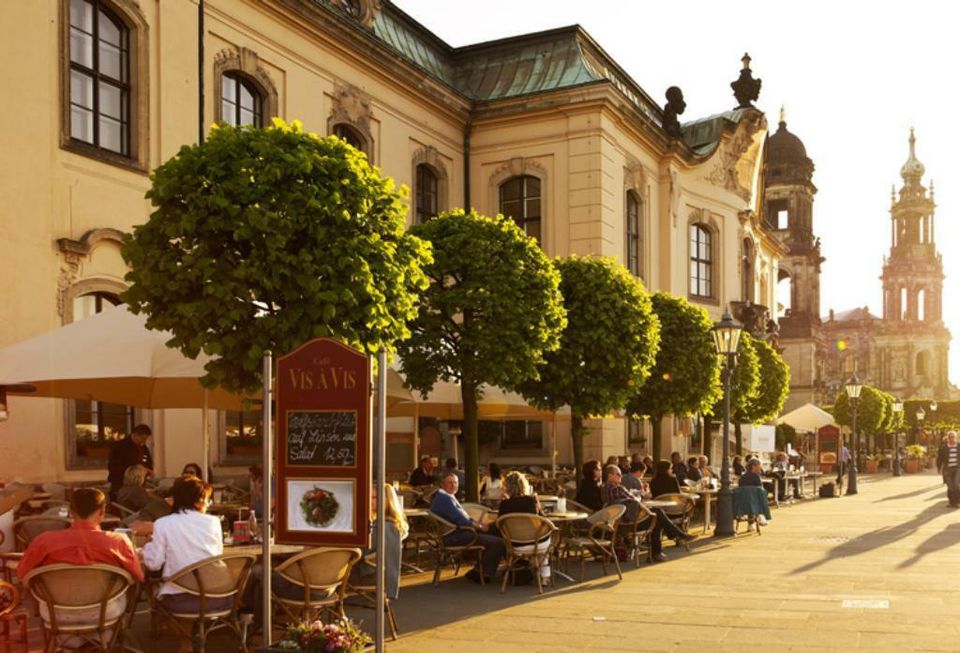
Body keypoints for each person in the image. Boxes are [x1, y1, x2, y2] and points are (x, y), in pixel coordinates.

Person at [17, 488, 144, 644]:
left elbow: (23, 575)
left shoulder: (44, 541)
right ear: (102, 511)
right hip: (105, 614)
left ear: (71, 512)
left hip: (57, 614)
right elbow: (138, 576)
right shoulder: (118, 541)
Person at [143, 475, 229, 614]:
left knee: (153, 589)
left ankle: (171, 630)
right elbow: (217, 555)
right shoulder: (214, 522)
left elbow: (154, 564)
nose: (209, 504)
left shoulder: (163, 524)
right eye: (208, 500)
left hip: (179, 598)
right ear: (198, 502)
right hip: (217, 595)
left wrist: (148, 546)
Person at [600, 465, 694, 561]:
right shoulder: (616, 488)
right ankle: (672, 538)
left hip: (619, 523)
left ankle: (672, 537)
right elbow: (634, 500)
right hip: (629, 523)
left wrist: (639, 494)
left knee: (657, 516)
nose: (621, 477)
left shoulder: (606, 488)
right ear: (610, 475)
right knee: (657, 516)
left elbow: (630, 498)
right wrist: (642, 494)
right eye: (618, 474)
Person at [430, 471, 504, 583]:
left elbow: (463, 518)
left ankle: (480, 569)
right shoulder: (444, 499)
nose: (453, 485)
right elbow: (461, 520)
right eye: (450, 482)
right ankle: (484, 573)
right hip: (455, 536)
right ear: (442, 484)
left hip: (459, 533)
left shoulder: (445, 497)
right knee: (499, 542)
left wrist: (480, 525)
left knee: (494, 531)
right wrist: (480, 526)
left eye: (455, 482)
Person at [497, 471, 551, 583]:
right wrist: (539, 508)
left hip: (516, 545)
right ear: (523, 485)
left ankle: (531, 568)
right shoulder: (531, 501)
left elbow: (500, 524)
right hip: (536, 543)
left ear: (506, 487)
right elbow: (542, 520)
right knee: (546, 536)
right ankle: (545, 577)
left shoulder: (504, 505)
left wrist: (505, 502)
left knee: (539, 539)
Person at [107, 423, 154, 498]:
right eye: (143, 439)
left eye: (146, 439)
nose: (144, 441)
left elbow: (148, 463)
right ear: (135, 435)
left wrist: (148, 470)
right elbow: (113, 466)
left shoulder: (143, 448)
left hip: (139, 485)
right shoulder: (119, 446)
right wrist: (136, 469)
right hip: (121, 484)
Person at [737, 460, 768, 525]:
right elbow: (760, 490)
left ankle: (751, 523)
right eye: (759, 466)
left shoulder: (742, 477)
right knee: (761, 497)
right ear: (753, 466)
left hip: (742, 502)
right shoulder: (756, 477)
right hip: (753, 503)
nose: (760, 468)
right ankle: (760, 517)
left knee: (750, 498)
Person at [936, 431, 960, 508]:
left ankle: (957, 502)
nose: (951, 438)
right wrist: (939, 468)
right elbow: (939, 458)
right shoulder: (943, 447)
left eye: (953, 437)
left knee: (956, 485)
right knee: (950, 486)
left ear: (956, 438)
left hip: (957, 469)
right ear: (948, 438)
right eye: (950, 437)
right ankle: (951, 502)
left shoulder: (959, 446)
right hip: (947, 469)